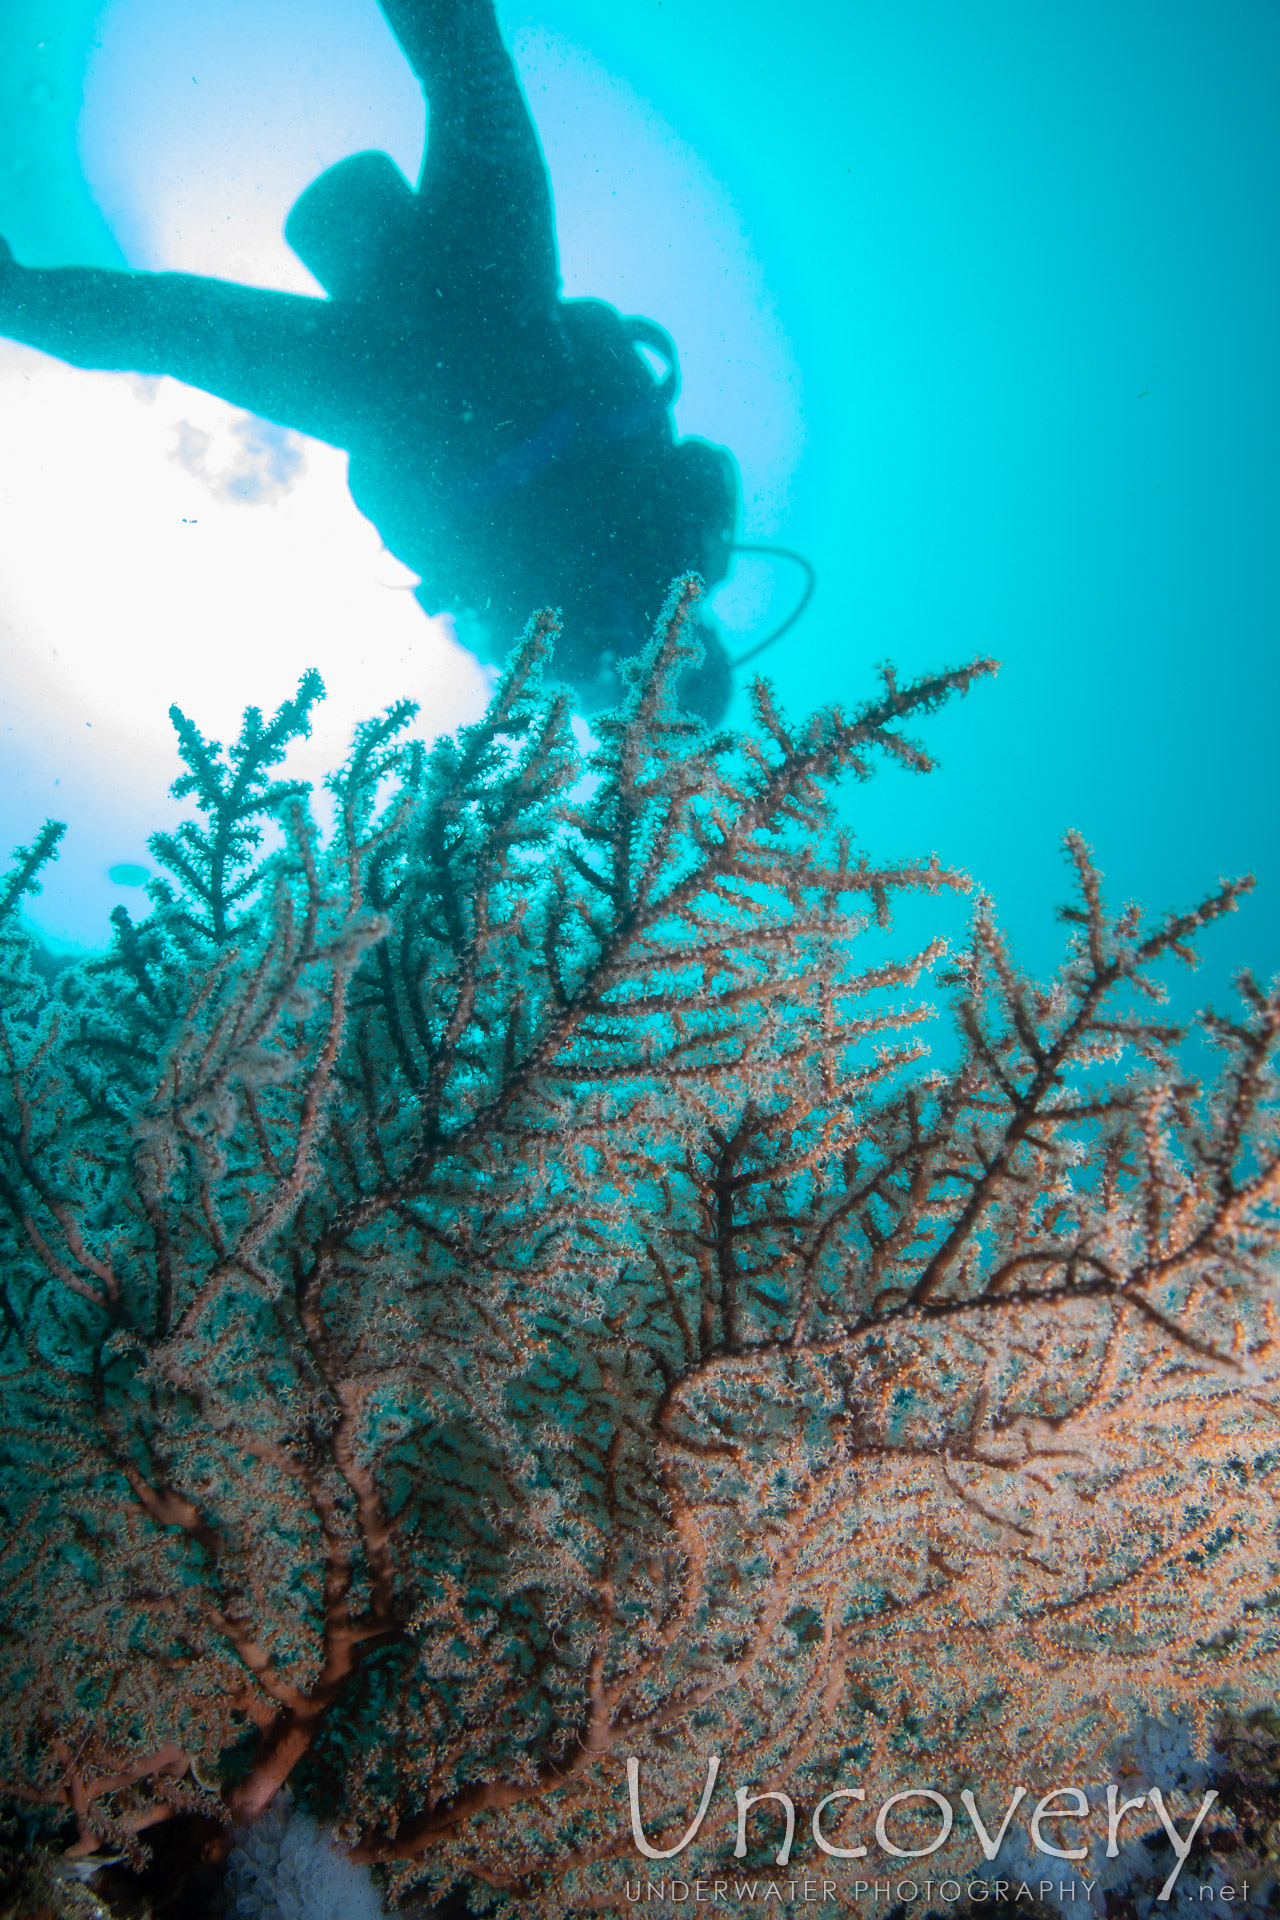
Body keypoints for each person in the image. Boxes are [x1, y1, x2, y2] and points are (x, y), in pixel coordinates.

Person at [0, 0, 739, 721]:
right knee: (174, 329)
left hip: (499, 317)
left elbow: (690, 450)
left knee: (470, 76)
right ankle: (11, 296)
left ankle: (12, 297)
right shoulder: (559, 661)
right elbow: (421, 544)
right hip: (402, 391)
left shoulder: (678, 567)